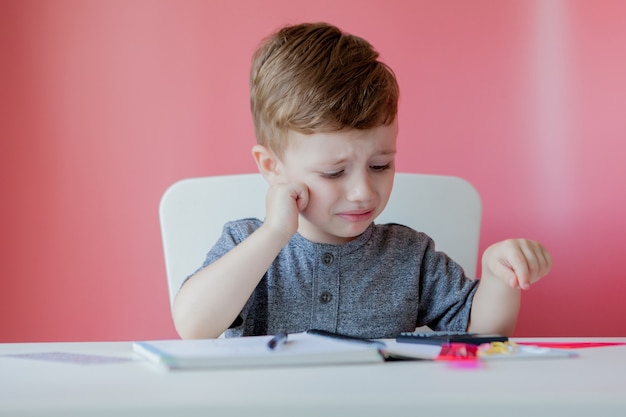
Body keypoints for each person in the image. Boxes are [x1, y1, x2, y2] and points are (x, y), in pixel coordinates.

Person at [172, 22, 552, 340]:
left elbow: (482, 335)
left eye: (380, 165)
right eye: (334, 172)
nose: (363, 192)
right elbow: (193, 326)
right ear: (272, 167)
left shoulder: (409, 256)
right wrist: (274, 233)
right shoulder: (246, 245)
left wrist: (499, 278)